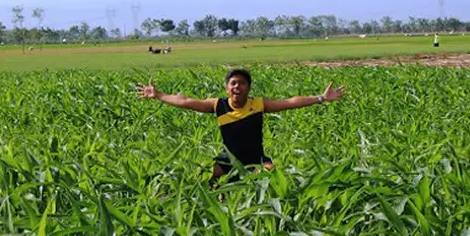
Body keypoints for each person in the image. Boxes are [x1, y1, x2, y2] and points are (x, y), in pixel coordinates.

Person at [136, 68, 345, 186]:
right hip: (228, 158)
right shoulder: (218, 105)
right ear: (227, 88)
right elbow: (186, 102)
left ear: (249, 87)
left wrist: (321, 98)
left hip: (256, 159)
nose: (237, 86)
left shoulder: (259, 105)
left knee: (273, 178)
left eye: (242, 83)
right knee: (206, 182)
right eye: (233, 83)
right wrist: (158, 95)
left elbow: (290, 102)